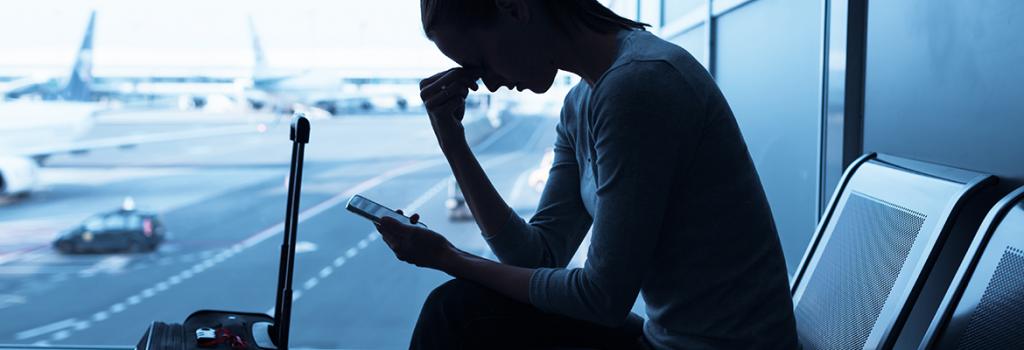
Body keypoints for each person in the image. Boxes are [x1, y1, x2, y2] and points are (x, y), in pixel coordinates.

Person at [373, 0, 798, 348]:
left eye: (479, 62)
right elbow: (537, 257)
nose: (485, 84)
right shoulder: (583, 101)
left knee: (456, 314)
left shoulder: (638, 87)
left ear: (516, 10)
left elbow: (602, 299)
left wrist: (450, 258)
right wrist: (452, 141)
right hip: (670, 339)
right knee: (461, 310)